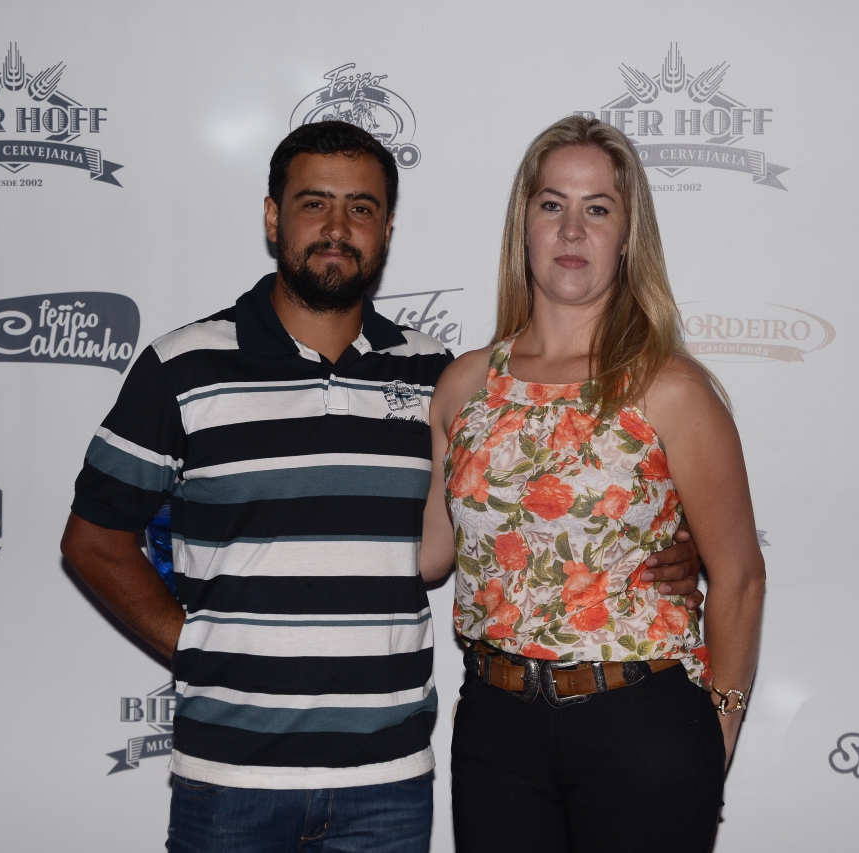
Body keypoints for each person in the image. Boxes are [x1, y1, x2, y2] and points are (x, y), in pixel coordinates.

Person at [59, 120, 706, 853]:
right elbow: (93, 540)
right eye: (314, 203)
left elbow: (525, 502)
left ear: (387, 228)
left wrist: (668, 542)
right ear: (273, 217)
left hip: (388, 781)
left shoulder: (441, 377)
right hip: (231, 777)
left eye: (361, 208)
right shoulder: (183, 367)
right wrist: (199, 651)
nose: (337, 228)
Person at [420, 116, 766, 852]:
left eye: (598, 209)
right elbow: (427, 555)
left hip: (641, 726)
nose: (572, 229)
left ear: (628, 235)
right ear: (524, 224)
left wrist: (722, 722)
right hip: (494, 730)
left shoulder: (671, 389)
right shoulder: (464, 385)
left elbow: (738, 578)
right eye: (552, 204)